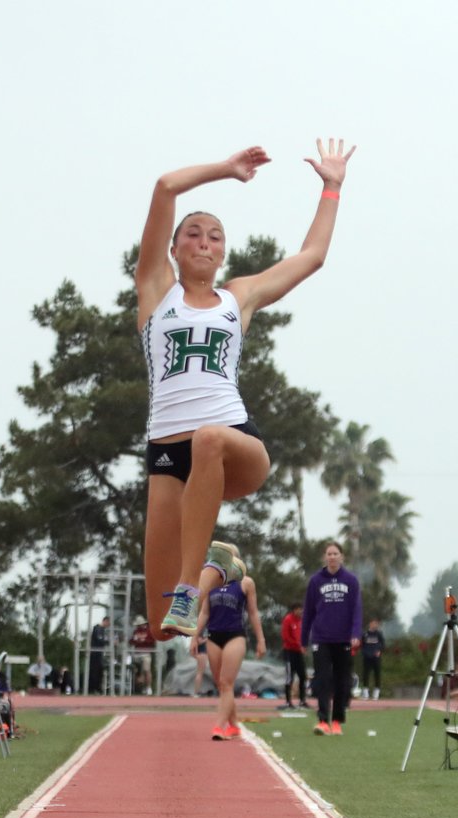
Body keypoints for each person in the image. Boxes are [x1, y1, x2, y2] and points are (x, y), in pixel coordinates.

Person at [136, 138, 356, 640]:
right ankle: (218, 565)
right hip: (168, 459)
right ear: (172, 250)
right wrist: (227, 169)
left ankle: (194, 586)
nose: (205, 242)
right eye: (193, 234)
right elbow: (165, 186)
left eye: (215, 237)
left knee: (208, 437)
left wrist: (332, 187)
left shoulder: (238, 297)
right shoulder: (156, 290)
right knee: (159, 627)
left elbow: (313, 256)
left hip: (234, 442)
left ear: (223, 254)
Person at [192, 574, 267, 740]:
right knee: (220, 683)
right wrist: (194, 637)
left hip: (235, 635)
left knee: (226, 682)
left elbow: (253, 613)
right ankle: (234, 725)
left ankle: (219, 726)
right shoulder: (211, 582)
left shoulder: (245, 583)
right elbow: (204, 612)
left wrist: (261, 640)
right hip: (213, 636)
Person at [302, 542, 362, 736]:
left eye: (336, 553)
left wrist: (355, 634)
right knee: (322, 679)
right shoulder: (316, 581)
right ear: (325, 557)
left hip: (343, 639)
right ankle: (322, 720)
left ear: (341, 557)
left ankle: (337, 720)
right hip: (321, 637)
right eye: (329, 554)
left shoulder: (351, 581)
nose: (332, 557)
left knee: (342, 681)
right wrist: (304, 639)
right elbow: (308, 612)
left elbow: (356, 610)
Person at [278, 602, 308, 710]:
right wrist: (298, 645)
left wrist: (304, 645)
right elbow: (286, 637)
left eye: (302, 609)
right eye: (299, 609)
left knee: (303, 676)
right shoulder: (288, 620)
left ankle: (302, 701)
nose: (301, 611)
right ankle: (288, 702)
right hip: (289, 652)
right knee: (289, 677)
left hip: (299, 652)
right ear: (294, 610)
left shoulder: (301, 621)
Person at [130, 616, 157, 695]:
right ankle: (139, 688)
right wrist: (137, 641)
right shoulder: (136, 631)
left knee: (147, 670)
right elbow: (131, 641)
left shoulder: (149, 631)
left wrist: (142, 641)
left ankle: (148, 687)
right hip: (137, 654)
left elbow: (152, 641)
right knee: (136, 671)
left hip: (146, 653)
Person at [361, 618, 385, 700]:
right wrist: (364, 653)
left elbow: (383, 644)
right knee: (366, 674)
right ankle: (365, 692)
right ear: (370, 624)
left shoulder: (379, 634)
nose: (375, 625)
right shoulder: (365, 634)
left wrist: (379, 651)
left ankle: (376, 692)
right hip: (367, 657)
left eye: (376, 624)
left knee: (377, 674)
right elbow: (362, 645)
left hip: (376, 657)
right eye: (374, 623)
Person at [88, 616, 109, 695]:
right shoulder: (97, 628)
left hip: (99, 653)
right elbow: (99, 639)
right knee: (95, 671)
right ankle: (94, 688)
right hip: (95, 653)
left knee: (99, 671)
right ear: (105, 621)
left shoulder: (102, 630)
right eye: (108, 623)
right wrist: (108, 641)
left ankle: (97, 688)